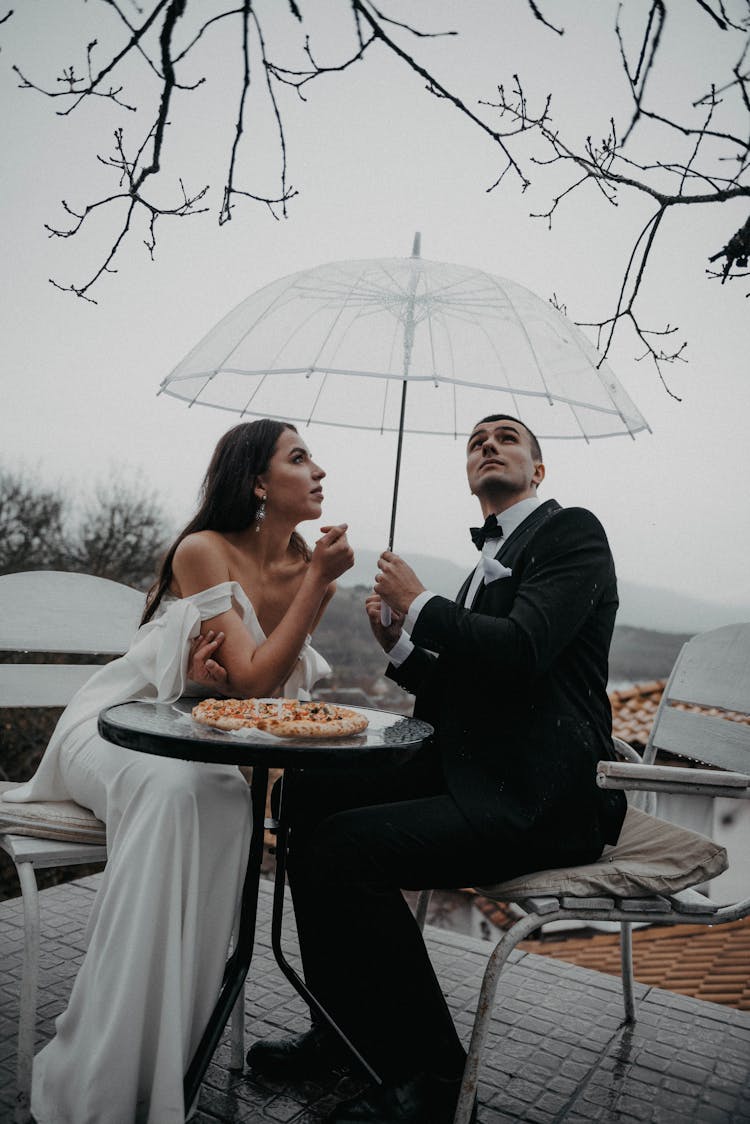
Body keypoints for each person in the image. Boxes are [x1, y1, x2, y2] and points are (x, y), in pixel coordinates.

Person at [245, 413, 626, 1124]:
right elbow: (462, 694)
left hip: (541, 799)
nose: (489, 443)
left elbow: (521, 650)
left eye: (507, 437)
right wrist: (398, 647)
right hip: (470, 769)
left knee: (346, 851)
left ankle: (435, 1074)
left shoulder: (574, 533)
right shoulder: (483, 571)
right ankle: (341, 1032)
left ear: (537, 472)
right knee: (306, 793)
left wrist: (420, 601)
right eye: (477, 439)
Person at [2, 418, 353, 1124]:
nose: (319, 470)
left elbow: (260, 701)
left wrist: (305, 590)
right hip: (116, 727)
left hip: (195, 746)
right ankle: (98, 1076)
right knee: (174, 793)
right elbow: (253, 684)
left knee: (222, 799)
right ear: (257, 482)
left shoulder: (297, 572)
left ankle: (163, 1067)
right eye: (299, 457)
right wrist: (317, 584)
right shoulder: (204, 550)